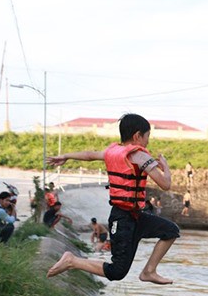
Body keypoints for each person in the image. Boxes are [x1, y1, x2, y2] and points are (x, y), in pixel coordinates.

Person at [45, 114, 180, 285]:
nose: (147, 142)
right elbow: (165, 184)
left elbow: (89, 155)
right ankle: (72, 261)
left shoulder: (112, 152)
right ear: (137, 135)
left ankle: (149, 271)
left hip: (136, 216)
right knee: (117, 271)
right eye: (147, 137)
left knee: (170, 231)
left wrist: (66, 155)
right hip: (122, 218)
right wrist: (166, 167)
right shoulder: (140, 156)